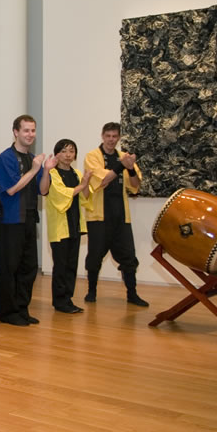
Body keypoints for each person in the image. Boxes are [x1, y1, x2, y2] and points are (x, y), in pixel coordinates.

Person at [0, 114, 54, 326]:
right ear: (16, 132)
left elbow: (43, 191)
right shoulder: (5, 158)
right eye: (26, 130)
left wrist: (45, 171)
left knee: (29, 267)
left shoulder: (33, 159)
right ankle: (9, 313)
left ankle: (22, 309)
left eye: (33, 130)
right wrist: (35, 169)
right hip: (10, 220)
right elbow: (11, 189)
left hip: (29, 217)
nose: (30, 134)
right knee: (10, 267)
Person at [83, 122, 148, 306]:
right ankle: (91, 291)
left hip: (121, 217)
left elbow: (135, 186)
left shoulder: (123, 158)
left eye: (114, 136)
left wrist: (129, 167)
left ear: (118, 138)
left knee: (129, 257)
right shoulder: (92, 157)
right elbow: (103, 180)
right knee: (95, 256)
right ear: (102, 136)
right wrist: (122, 166)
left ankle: (132, 294)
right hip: (99, 217)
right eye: (108, 136)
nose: (111, 140)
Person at [46, 139, 92, 313]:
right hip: (59, 227)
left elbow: (86, 196)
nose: (68, 155)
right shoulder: (53, 173)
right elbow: (61, 195)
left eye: (71, 151)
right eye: (64, 151)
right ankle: (59, 301)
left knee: (72, 265)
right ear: (57, 154)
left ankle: (68, 299)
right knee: (61, 265)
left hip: (75, 225)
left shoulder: (77, 173)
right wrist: (82, 185)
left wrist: (86, 183)